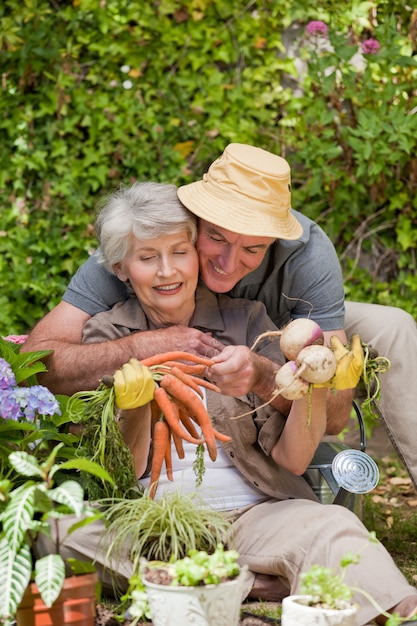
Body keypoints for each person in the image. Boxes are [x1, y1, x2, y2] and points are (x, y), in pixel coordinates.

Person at [38, 180, 417, 626]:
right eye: (147, 258)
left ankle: (394, 608)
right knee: (55, 531)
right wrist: (139, 402)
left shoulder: (252, 322)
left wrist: (304, 384)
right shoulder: (105, 336)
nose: (166, 271)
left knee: (333, 526)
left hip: (252, 515)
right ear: (122, 269)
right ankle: (241, 581)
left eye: (179, 253)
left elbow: (292, 460)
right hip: (149, 525)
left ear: (194, 251)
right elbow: (127, 472)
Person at [22, 143, 417, 489]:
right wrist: (150, 344)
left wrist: (266, 375)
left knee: (393, 327)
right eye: (216, 238)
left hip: (283, 333)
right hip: (170, 330)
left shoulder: (307, 255)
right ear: (193, 220)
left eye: (253, 249)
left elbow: (332, 416)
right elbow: (39, 361)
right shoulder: (152, 240)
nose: (229, 264)